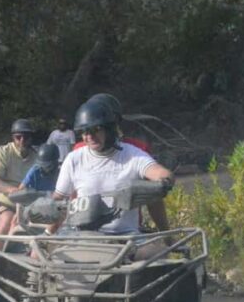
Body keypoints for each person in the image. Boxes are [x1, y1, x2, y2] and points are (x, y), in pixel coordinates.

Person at [52, 98, 172, 235]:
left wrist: (165, 180)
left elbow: (159, 172)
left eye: (95, 129)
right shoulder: (74, 158)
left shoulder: (133, 155)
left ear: (109, 128)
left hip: (126, 240)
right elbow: (59, 202)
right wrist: (47, 233)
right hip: (82, 238)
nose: (89, 136)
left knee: (157, 253)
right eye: (84, 131)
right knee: (38, 254)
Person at [0, 118, 37, 250]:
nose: (22, 140)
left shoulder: (37, 157)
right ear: (13, 137)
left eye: (26, 137)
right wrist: (13, 190)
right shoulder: (3, 153)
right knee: (7, 217)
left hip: (24, 203)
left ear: (31, 138)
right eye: (18, 137)